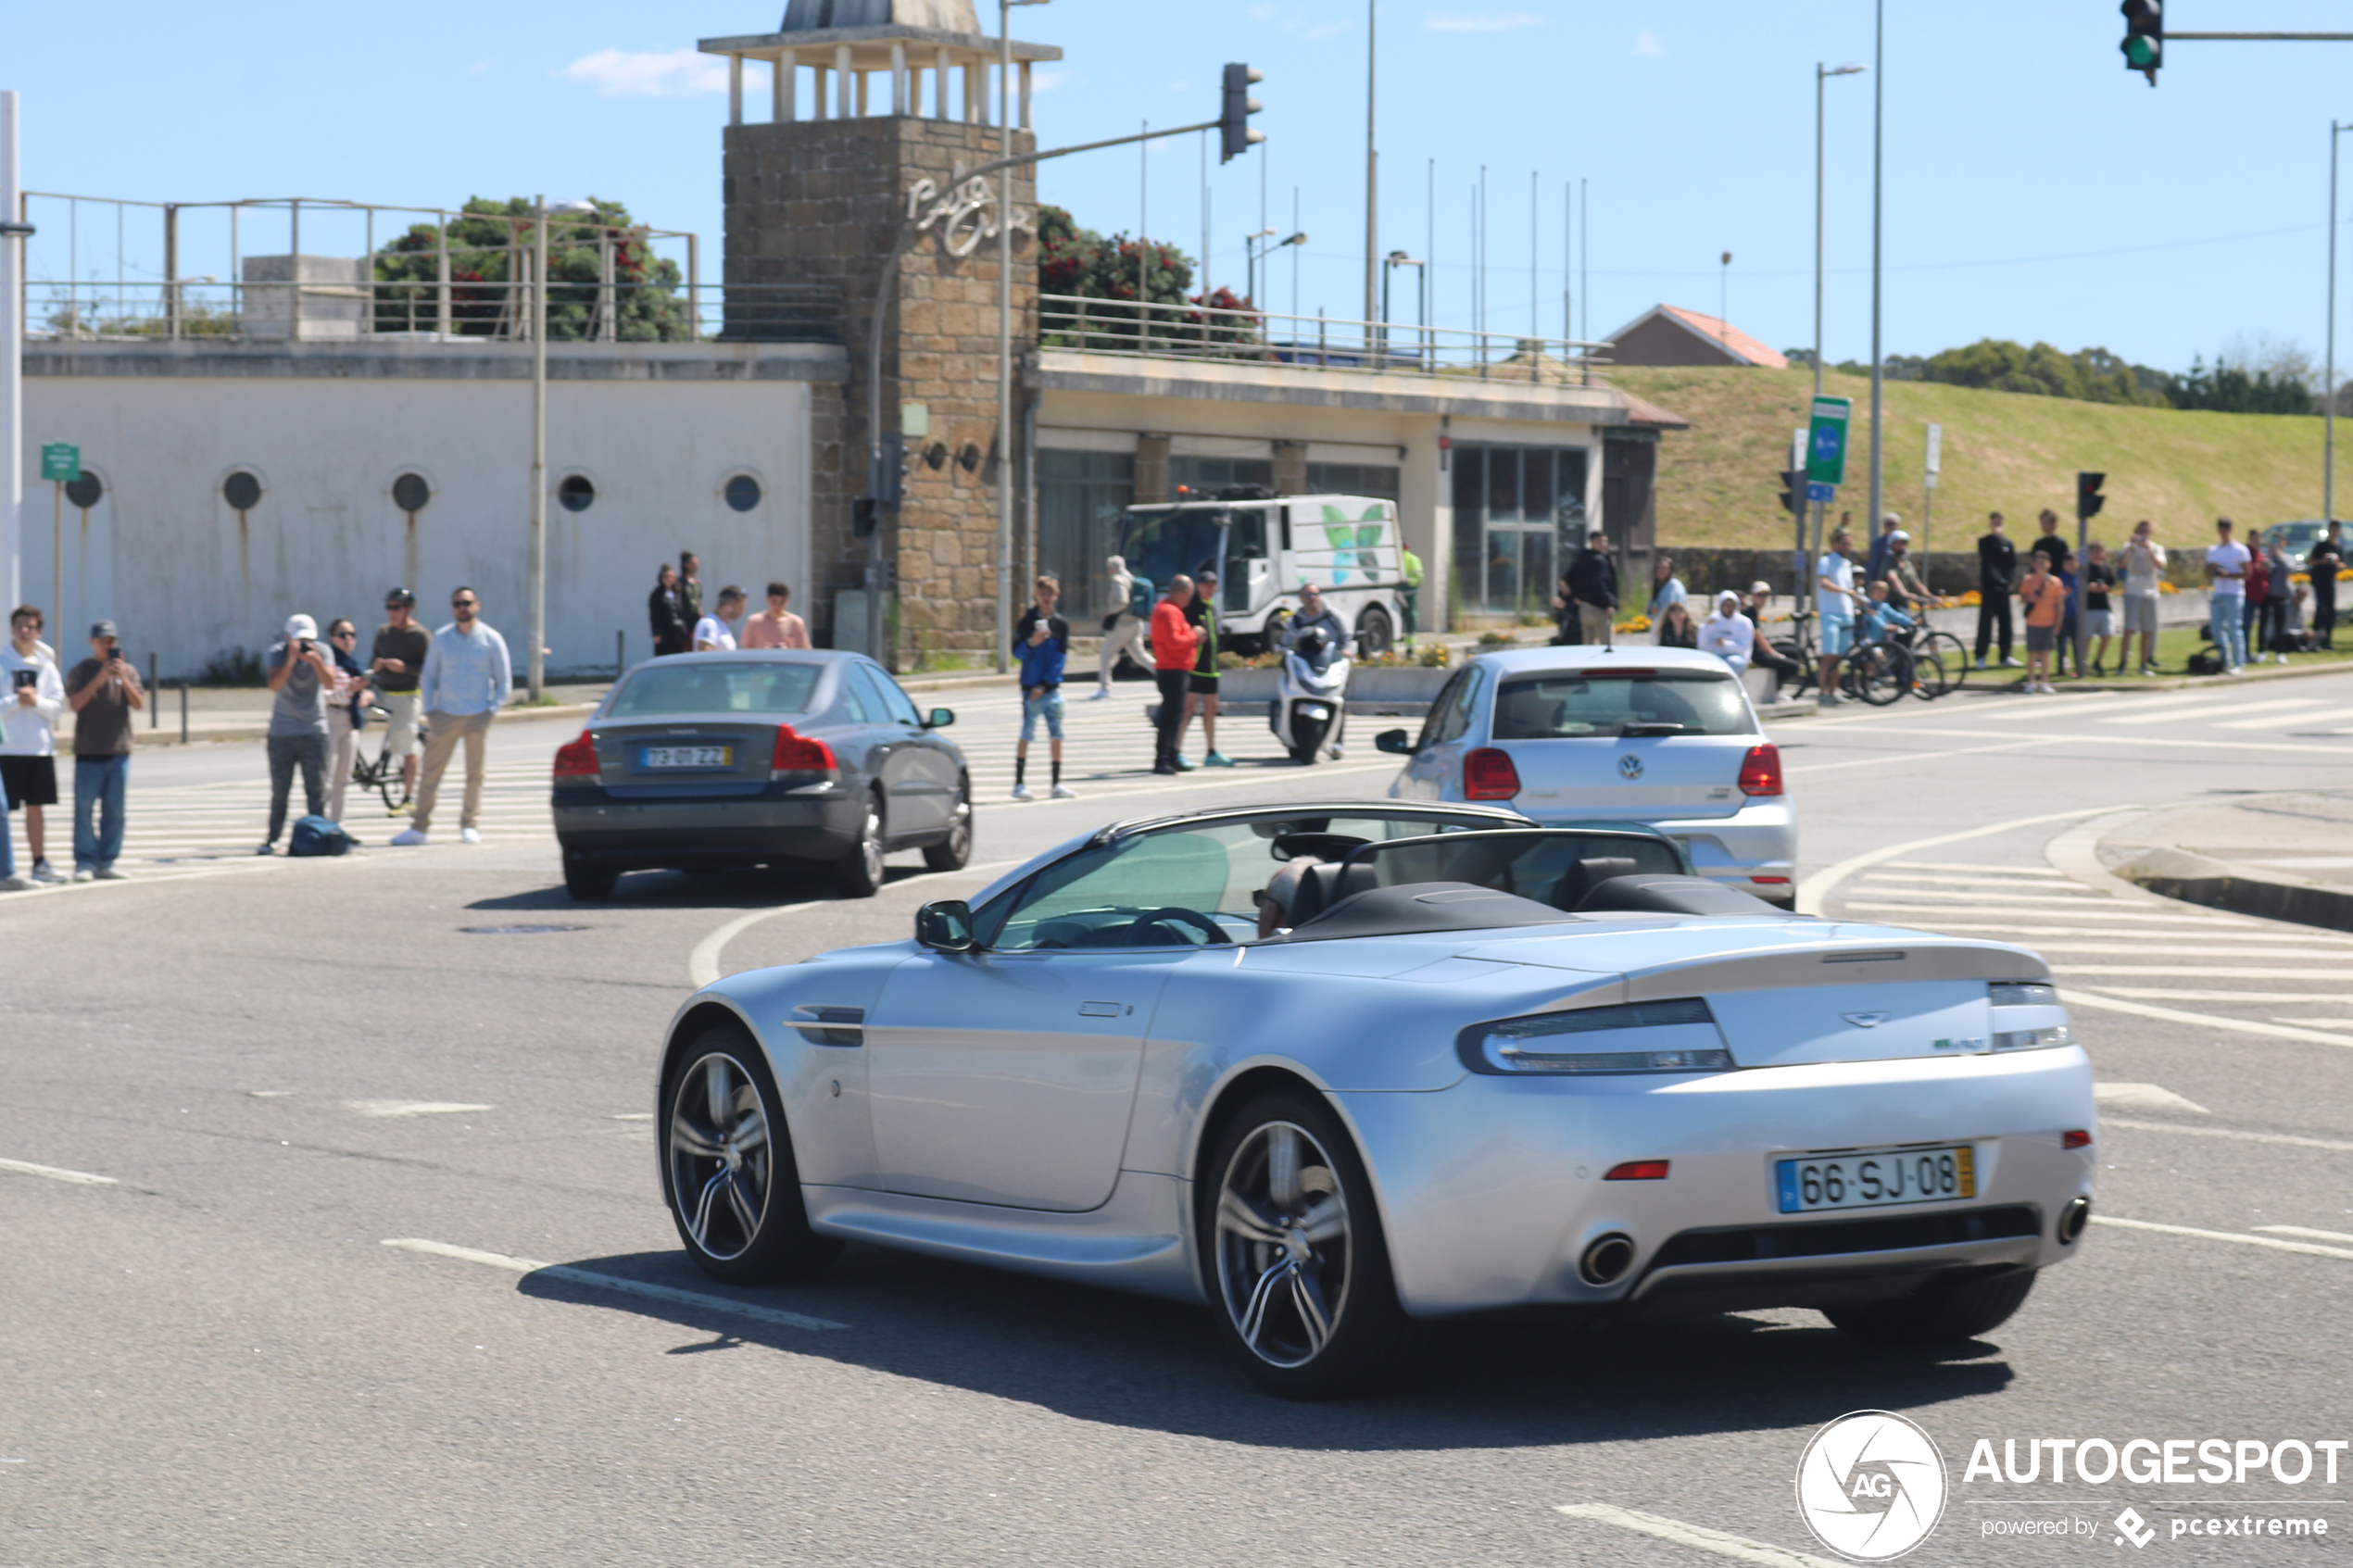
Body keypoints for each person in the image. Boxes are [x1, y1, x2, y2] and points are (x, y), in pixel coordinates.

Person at [390, 587, 512, 847]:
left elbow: (504, 680)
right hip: (444, 715)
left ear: (476, 605)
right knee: (431, 773)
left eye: (466, 603)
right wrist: (430, 712)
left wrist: (491, 711)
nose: (462, 607)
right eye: (457, 603)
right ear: (452, 607)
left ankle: (469, 825)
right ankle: (419, 828)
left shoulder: (491, 639)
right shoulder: (442, 639)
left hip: (478, 714)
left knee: (475, 774)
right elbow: (429, 676)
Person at [64, 620, 143, 881]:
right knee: (84, 812)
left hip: (118, 750)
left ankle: (108, 861)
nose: (107, 646)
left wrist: (121, 677)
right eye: (102, 641)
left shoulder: (127, 670)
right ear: (92, 642)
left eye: (111, 641)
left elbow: (139, 703)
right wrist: (101, 677)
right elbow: (75, 704)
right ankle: (85, 861)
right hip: (88, 752)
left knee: (115, 812)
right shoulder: (81, 671)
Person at [258, 614, 335, 855]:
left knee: (316, 789)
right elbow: (274, 685)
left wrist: (315, 661)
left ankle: (318, 834)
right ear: (288, 637)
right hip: (282, 732)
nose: (303, 645)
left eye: (307, 640)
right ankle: (273, 837)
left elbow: (330, 682)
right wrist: (290, 661)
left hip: (313, 731)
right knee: (280, 790)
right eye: (298, 640)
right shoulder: (278, 653)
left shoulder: (323, 651)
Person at [2, 605, 68, 884]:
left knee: (36, 808)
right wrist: (17, 701)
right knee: (3, 812)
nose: (24, 631)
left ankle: (39, 863)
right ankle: (7, 869)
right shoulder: (3, 662)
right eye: (19, 626)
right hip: (7, 749)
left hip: (39, 748)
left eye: (30, 626)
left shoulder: (47, 666)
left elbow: (56, 708)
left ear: (39, 631)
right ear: (12, 629)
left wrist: (36, 701)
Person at [1012, 575, 1075, 800]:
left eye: (1050, 594)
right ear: (1036, 595)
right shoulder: (1027, 621)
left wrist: (1046, 684)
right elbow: (1017, 652)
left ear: (1055, 596)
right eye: (1042, 594)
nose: (1046, 598)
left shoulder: (1061, 624)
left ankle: (1056, 783)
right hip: (1030, 688)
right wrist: (1032, 642)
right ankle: (1018, 784)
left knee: (1057, 735)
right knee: (1027, 733)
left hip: (1051, 689)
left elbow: (1060, 659)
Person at [370, 588, 431, 811]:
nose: (391, 612)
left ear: (408, 609)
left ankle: (407, 797)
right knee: (352, 716)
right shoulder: (383, 633)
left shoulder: (420, 635)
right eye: (389, 607)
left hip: (406, 694)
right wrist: (375, 666)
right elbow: (372, 659)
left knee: (405, 745)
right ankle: (359, 768)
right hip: (382, 691)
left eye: (396, 608)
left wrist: (404, 667)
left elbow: (430, 668)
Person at [1180, 564, 1231, 768]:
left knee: (1212, 708)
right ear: (1198, 586)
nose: (1209, 587)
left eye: (1213, 584)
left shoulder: (1211, 607)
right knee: (1188, 709)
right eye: (1205, 584)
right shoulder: (1192, 607)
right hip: (1194, 667)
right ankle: (1177, 749)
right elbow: (1186, 633)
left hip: (1211, 668)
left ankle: (1211, 751)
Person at [323, 618, 371, 829]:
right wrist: (348, 692)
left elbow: (360, 691)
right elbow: (324, 696)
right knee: (327, 778)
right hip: (331, 719)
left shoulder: (353, 665)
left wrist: (366, 696)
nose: (348, 639)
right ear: (332, 638)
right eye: (342, 635)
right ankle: (319, 824)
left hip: (350, 721)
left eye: (352, 635)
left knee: (343, 778)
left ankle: (336, 826)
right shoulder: (328, 663)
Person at [1150, 576, 1199, 775]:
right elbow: (1174, 641)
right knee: (1171, 717)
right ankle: (1162, 759)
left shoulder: (1166, 609)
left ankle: (1169, 756)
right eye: (1189, 594)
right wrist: (1195, 636)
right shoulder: (1169, 611)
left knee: (1175, 715)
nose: (1189, 600)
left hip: (1173, 668)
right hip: (1172, 669)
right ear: (1182, 592)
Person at [1092, 554, 1150, 698]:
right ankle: (1163, 674)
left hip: (1122, 624)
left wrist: (1109, 612)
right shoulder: (1131, 578)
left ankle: (1104, 689)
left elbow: (1123, 602)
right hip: (1136, 622)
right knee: (1140, 656)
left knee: (1106, 654)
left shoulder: (1118, 580)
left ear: (1112, 568)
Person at [1816, 528, 1862, 706]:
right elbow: (1824, 583)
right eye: (1844, 544)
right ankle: (1822, 691)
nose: (1847, 547)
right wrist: (1846, 591)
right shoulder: (1825, 561)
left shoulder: (1847, 564)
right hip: (1830, 613)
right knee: (1830, 655)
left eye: (1849, 544)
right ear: (1834, 544)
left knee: (1839, 657)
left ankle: (1834, 691)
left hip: (1847, 614)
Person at [2120, 521, 2167, 675]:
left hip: (2150, 591)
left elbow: (2160, 565)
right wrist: (2130, 546)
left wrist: (2149, 550)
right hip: (2133, 591)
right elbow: (2121, 564)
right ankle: (2122, 664)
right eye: (2141, 531)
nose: (2143, 535)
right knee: (2129, 629)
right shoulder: (2129, 546)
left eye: (2146, 532)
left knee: (2147, 630)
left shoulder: (2156, 548)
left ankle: (2143, 664)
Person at [2205, 517, 2250, 672]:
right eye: (2220, 529)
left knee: (2234, 628)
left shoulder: (2240, 550)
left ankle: (2239, 663)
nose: (2223, 532)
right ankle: (2224, 660)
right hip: (2218, 592)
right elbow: (2206, 573)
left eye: (2225, 528)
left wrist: (2229, 575)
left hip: (2234, 592)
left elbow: (2247, 574)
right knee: (2217, 628)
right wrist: (2213, 568)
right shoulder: (2214, 550)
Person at [1975, 511, 2020, 668]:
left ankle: (2005, 656)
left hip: (2004, 590)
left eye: (1999, 521)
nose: (1997, 524)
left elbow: (2012, 565)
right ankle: (1981, 656)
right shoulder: (1985, 542)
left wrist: (2011, 581)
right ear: (1990, 523)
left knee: (2006, 624)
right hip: (1990, 588)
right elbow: (1988, 565)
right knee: (1986, 624)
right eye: (1994, 521)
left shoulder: (2008, 543)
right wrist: (2001, 581)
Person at [2020, 550, 2067, 694]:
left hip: (2049, 621)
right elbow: (2022, 597)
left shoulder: (2055, 582)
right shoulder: (2028, 580)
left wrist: (2058, 624)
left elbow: (2059, 604)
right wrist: (2030, 598)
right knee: (2032, 653)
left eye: (2043, 562)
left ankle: (2044, 681)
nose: (2040, 565)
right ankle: (2031, 682)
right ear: (2033, 565)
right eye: (2038, 562)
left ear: (2049, 564)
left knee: (2046, 653)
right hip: (2033, 621)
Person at [1740, 582, 1804, 685]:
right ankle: (1774, 688)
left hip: (1760, 650)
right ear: (1753, 596)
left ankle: (1778, 684)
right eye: (1759, 595)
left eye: (1765, 595)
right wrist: (1776, 655)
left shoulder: (1755, 612)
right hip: (1755, 653)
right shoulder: (1749, 614)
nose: (1763, 598)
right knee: (1793, 666)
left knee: (1795, 651)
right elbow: (1760, 641)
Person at [1567, 528, 1618, 646]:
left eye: (1605, 541)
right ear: (1592, 542)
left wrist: (1576, 595)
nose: (1603, 544)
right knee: (1607, 644)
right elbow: (1600, 583)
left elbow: (1569, 578)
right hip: (1599, 608)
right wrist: (1609, 603)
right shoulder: (1599, 560)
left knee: (1588, 644)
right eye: (1599, 541)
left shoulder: (1582, 557)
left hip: (1584, 606)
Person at [2081, 542, 2118, 677]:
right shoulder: (2085, 568)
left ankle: (2097, 660)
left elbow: (2110, 585)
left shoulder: (2106, 568)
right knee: (2087, 637)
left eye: (2099, 551)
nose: (2097, 554)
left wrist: (2102, 588)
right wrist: (2091, 587)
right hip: (2089, 607)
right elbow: (2083, 586)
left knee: (2108, 633)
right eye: (2094, 551)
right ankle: (2082, 663)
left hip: (2104, 606)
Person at [2259, 535, 2296, 664]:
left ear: (2284, 543)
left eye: (2279, 542)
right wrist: (2268, 558)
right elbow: (2262, 571)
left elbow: (2291, 569)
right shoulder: (2267, 558)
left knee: (2281, 626)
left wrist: (2279, 555)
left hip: (2281, 595)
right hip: (2267, 596)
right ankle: (2261, 651)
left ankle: (2280, 652)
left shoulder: (2287, 557)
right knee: (2263, 624)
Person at [740, 582, 812, 649]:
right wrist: (762, 652)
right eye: (774, 601)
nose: (778, 606)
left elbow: (805, 651)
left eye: (782, 602)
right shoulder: (754, 622)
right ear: (767, 600)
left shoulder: (796, 623)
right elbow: (745, 650)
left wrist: (790, 650)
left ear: (788, 601)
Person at [1697, 591, 1755, 673]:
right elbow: (1703, 646)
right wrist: (1706, 628)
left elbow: (1744, 648)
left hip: (1738, 658)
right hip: (1716, 656)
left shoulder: (1745, 622)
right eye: (1727, 606)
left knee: (1732, 663)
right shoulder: (1714, 618)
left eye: (1732, 606)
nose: (1729, 609)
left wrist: (1726, 644)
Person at [2309, 521, 2345, 650]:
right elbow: (2310, 560)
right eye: (2332, 530)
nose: (2334, 533)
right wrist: (2321, 561)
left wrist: (2337, 563)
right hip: (2319, 581)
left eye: (2337, 530)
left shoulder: (2338, 547)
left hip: (2330, 582)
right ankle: (2316, 638)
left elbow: (2342, 565)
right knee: (2321, 609)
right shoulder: (2321, 546)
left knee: (2330, 611)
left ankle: (2327, 640)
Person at [1883, 531, 1932, 612]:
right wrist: (1905, 594)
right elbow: (1893, 579)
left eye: (1904, 544)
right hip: (1890, 603)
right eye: (1898, 544)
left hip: (1904, 602)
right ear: (1891, 545)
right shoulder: (1888, 562)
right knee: (1908, 621)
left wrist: (1930, 596)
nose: (1902, 546)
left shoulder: (1907, 564)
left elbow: (1916, 582)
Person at [648, 563, 689, 658]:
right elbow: (654, 615)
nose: (669, 579)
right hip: (664, 632)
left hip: (677, 633)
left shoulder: (677, 592)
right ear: (661, 578)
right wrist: (656, 633)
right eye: (666, 577)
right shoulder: (657, 594)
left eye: (672, 577)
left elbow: (681, 611)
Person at [1646, 555, 1687, 639]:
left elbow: (1674, 607)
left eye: (1665, 568)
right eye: (1659, 568)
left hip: (1671, 626)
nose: (1661, 571)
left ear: (1670, 570)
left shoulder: (1674, 586)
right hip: (1659, 624)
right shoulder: (1658, 585)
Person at [694, 585, 745, 651]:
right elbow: (705, 655)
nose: (743, 611)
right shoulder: (709, 624)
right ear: (728, 606)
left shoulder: (722, 626)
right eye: (740, 607)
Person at [2031, 509, 2073, 576]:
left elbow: (2066, 563)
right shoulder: (2038, 543)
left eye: (2046, 522)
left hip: (2058, 578)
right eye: (2042, 522)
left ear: (2053, 523)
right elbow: (2033, 563)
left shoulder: (2061, 543)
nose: (2043, 525)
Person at [1865, 512, 1903, 583]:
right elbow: (1872, 565)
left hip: (1898, 582)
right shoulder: (1877, 544)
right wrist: (1870, 584)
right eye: (1889, 524)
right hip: (1882, 583)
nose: (1892, 527)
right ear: (1884, 526)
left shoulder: (1902, 543)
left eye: (1894, 524)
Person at [1400, 544, 1425, 646]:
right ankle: (1410, 650)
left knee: (1396, 620)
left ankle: (1391, 650)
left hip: (1397, 595)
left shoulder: (1393, 558)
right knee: (1410, 621)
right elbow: (1419, 578)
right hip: (1409, 595)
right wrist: (1409, 582)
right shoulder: (1413, 559)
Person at [678, 550, 705, 628]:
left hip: (695, 621)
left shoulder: (697, 583)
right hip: (684, 622)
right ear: (685, 565)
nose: (696, 566)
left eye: (696, 564)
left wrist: (701, 618)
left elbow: (699, 602)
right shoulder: (679, 583)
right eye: (693, 564)